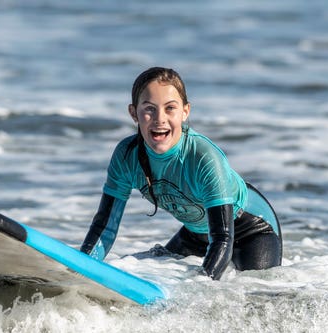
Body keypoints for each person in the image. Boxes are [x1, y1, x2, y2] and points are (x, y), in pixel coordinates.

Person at [80, 67, 282, 280]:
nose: (160, 119)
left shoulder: (203, 156)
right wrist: (81, 268)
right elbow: (105, 227)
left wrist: (199, 286)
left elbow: (222, 238)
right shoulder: (126, 156)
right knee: (144, 268)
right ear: (133, 113)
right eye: (149, 109)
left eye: (170, 108)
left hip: (252, 230)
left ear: (185, 112)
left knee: (254, 294)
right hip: (196, 233)